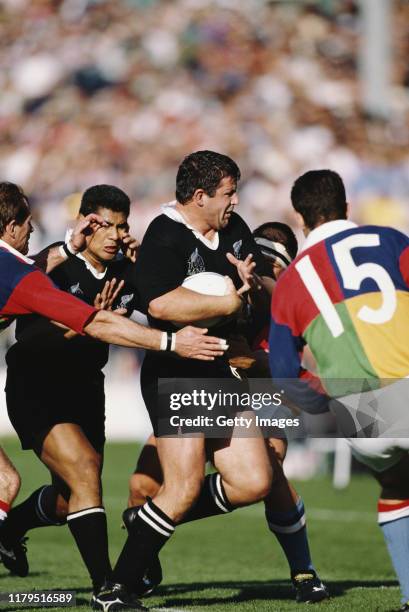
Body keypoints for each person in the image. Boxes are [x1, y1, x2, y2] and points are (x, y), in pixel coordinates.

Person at [93, 150, 317, 611]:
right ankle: (117, 589)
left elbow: (250, 299)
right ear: (200, 196)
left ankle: (148, 522)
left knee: (254, 479)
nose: (235, 202)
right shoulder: (164, 235)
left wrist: (247, 292)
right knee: (182, 485)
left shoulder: (234, 231)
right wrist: (227, 304)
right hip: (176, 373)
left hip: (218, 372)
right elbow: (161, 306)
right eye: (228, 193)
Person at [0, 181, 228, 606]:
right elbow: (30, 341)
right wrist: (85, 324)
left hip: (87, 390)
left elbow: (163, 309)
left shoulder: (128, 271)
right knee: (84, 470)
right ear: (87, 223)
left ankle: (10, 530)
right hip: (37, 387)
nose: (113, 235)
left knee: (72, 499)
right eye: (104, 225)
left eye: (120, 227)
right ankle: (108, 588)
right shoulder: (49, 269)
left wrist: (162, 275)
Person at [125, 220, 328, 605]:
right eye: (259, 264)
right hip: (206, 383)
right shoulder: (227, 285)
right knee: (142, 486)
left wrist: (252, 359)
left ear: (284, 268)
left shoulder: (283, 303)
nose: (263, 275)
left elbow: (300, 365)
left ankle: (304, 571)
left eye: (271, 268)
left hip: (262, 389)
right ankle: (142, 556)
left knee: (270, 468)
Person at [268, 169, 409, 611]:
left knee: (395, 484)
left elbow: (285, 375)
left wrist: (331, 400)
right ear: (347, 206)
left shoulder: (291, 279)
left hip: (360, 408)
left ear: (301, 220)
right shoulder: (392, 240)